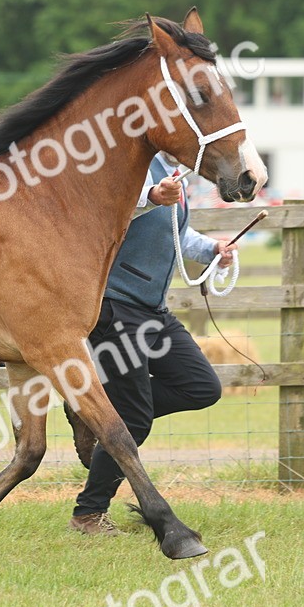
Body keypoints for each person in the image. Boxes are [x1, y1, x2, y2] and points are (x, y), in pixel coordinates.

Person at [69, 152, 238, 535]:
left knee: (201, 387)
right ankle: (88, 514)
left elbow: (176, 235)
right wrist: (151, 195)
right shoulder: (125, 162)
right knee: (135, 419)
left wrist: (212, 249)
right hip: (116, 306)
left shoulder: (171, 170)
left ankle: (96, 413)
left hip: (154, 310)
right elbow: (112, 210)